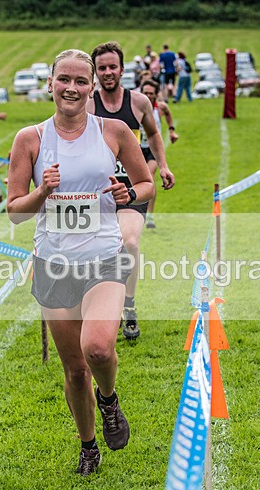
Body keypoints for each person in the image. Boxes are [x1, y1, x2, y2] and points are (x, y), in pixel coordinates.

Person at [7, 48, 154, 476]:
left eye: (79, 81)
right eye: (63, 80)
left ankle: (109, 400)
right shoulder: (29, 139)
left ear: (92, 87)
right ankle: (88, 447)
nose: (71, 88)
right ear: (50, 84)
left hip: (104, 258)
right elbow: (15, 210)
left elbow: (144, 183)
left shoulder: (115, 131)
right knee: (74, 370)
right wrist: (41, 193)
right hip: (53, 264)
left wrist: (131, 195)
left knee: (97, 348)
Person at [88, 41, 175, 341]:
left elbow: (153, 133)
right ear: (95, 73)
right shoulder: (88, 106)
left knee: (130, 241)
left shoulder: (138, 103)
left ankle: (129, 306)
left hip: (132, 188)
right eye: (102, 68)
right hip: (97, 193)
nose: (108, 72)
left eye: (113, 67)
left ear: (123, 69)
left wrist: (162, 165)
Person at [140, 80, 178, 229]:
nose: (148, 96)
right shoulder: (135, 106)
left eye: (151, 93)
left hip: (153, 149)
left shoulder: (161, 108)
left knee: (149, 177)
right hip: (137, 148)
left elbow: (168, 115)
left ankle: (149, 215)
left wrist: (171, 130)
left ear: (156, 94)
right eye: (145, 93)